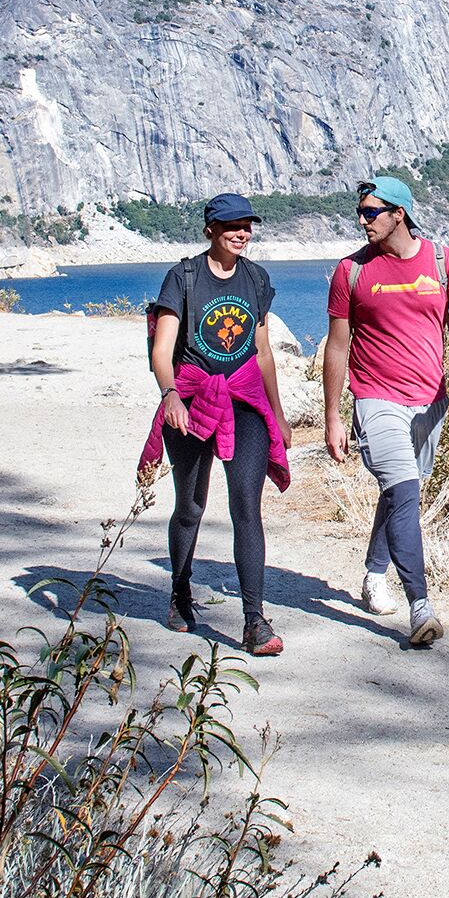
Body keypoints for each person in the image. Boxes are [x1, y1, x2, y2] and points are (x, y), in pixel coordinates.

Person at [322, 175, 449, 646]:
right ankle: (421, 607)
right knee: (404, 487)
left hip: (430, 402)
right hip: (376, 396)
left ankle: (374, 572)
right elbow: (337, 348)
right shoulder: (350, 271)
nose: (362, 220)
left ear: (399, 213)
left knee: (401, 493)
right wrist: (334, 417)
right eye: (360, 212)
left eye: (370, 212)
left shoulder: (443, 262)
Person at [138, 192, 293, 656]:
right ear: (210, 229)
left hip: (244, 402)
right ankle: (180, 592)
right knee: (190, 505)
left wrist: (278, 415)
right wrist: (170, 397)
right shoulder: (183, 278)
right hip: (190, 398)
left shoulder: (256, 278)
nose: (241, 233)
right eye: (231, 225)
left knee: (246, 504)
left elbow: (262, 352)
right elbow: (161, 352)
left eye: (247, 224)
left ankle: (254, 621)